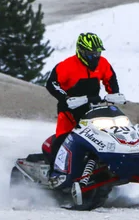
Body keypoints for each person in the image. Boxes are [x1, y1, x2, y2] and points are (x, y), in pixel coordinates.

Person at [45, 32, 122, 165]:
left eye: (98, 53)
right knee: (65, 138)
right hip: (70, 109)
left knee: (108, 134)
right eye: (92, 53)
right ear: (81, 51)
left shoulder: (103, 63)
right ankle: (55, 171)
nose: (96, 56)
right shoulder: (67, 65)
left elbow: (110, 78)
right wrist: (65, 98)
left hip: (93, 107)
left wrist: (114, 93)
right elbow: (52, 83)